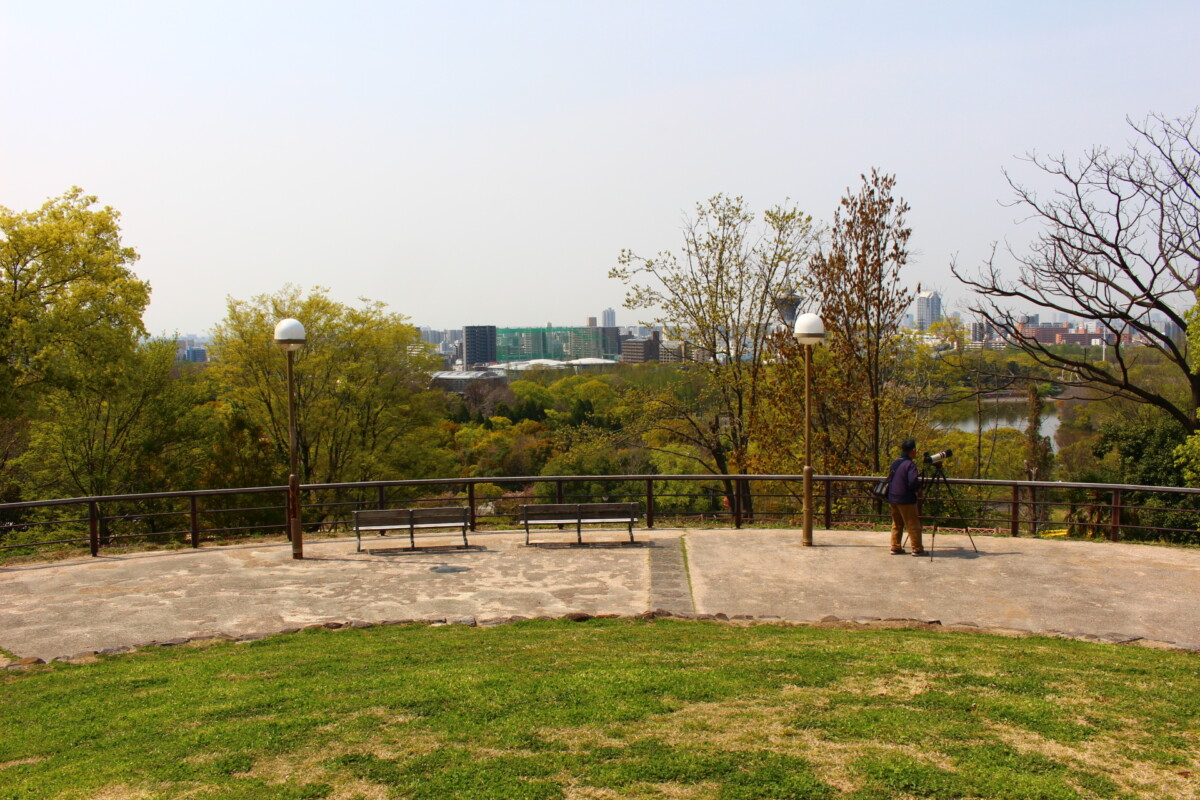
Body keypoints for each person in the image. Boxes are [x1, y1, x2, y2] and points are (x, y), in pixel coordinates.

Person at [886, 439, 925, 556]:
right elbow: (912, 481)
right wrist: (918, 487)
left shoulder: (896, 462)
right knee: (913, 524)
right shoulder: (910, 464)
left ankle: (895, 547)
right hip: (905, 498)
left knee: (897, 524)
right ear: (913, 451)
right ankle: (917, 548)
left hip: (893, 497)